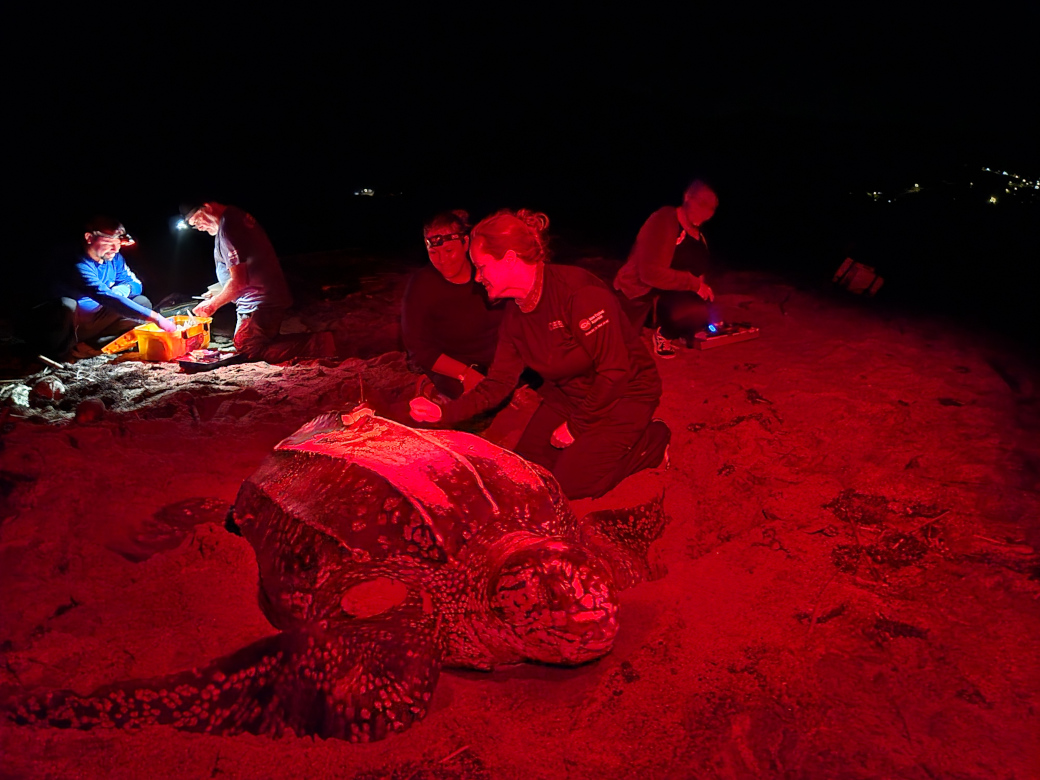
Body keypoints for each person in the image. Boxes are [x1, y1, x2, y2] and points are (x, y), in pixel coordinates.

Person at [410, 209, 670, 500]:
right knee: (525, 473)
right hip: (569, 397)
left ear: (509, 259)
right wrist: (444, 413)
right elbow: (497, 383)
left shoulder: (577, 294)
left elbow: (615, 372)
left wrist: (576, 426)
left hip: (624, 395)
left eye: (482, 267)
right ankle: (592, 443)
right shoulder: (516, 314)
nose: (479, 277)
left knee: (572, 484)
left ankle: (652, 441)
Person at [183, 202, 335, 362]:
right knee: (261, 342)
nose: (199, 228)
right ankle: (323, 341)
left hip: (258, 302)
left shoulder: (228, 228)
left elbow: (239, 282)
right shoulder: (235, 216)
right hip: (268, 295)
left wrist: (211, 305)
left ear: (207, 207)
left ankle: (320, 343)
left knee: (248, 349)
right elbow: (249, 267)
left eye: (196, 221)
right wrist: (218, 292)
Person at [30, 216, 175, 360]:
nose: (115, 249)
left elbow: (136, 285)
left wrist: (124, 290)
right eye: (108, 242)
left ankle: (92, 344)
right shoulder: (77, 264)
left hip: (95, 319)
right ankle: (57, 353)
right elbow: (105, 296)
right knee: (66, 305)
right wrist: (156, 318)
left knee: (141, 302)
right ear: (89, 238)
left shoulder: (114, 258)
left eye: (118, 243)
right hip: (68, 324)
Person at [401, 210, 505, 400]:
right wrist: (465, 374)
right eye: (434, 253)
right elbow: (418, 349)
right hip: (454, 363)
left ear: (465, 243)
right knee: (477, 400)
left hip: (499, 358)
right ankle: (429, 387)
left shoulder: (484, 272)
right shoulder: (421, 286)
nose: (442, 260)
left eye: (449, 251)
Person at [613, 179, 719, 358]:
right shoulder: (663, 220)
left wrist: (704, 300)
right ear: (687, 198)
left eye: (711, 208)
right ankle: (655, 326)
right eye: (701, 204)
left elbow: (699, 269)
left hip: (668, 292)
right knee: (618, 347)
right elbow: (649, 274)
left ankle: (667, 331)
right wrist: (693, 284)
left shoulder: (698, 234)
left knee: (700, 312)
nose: (706, 211)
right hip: (639, 292)